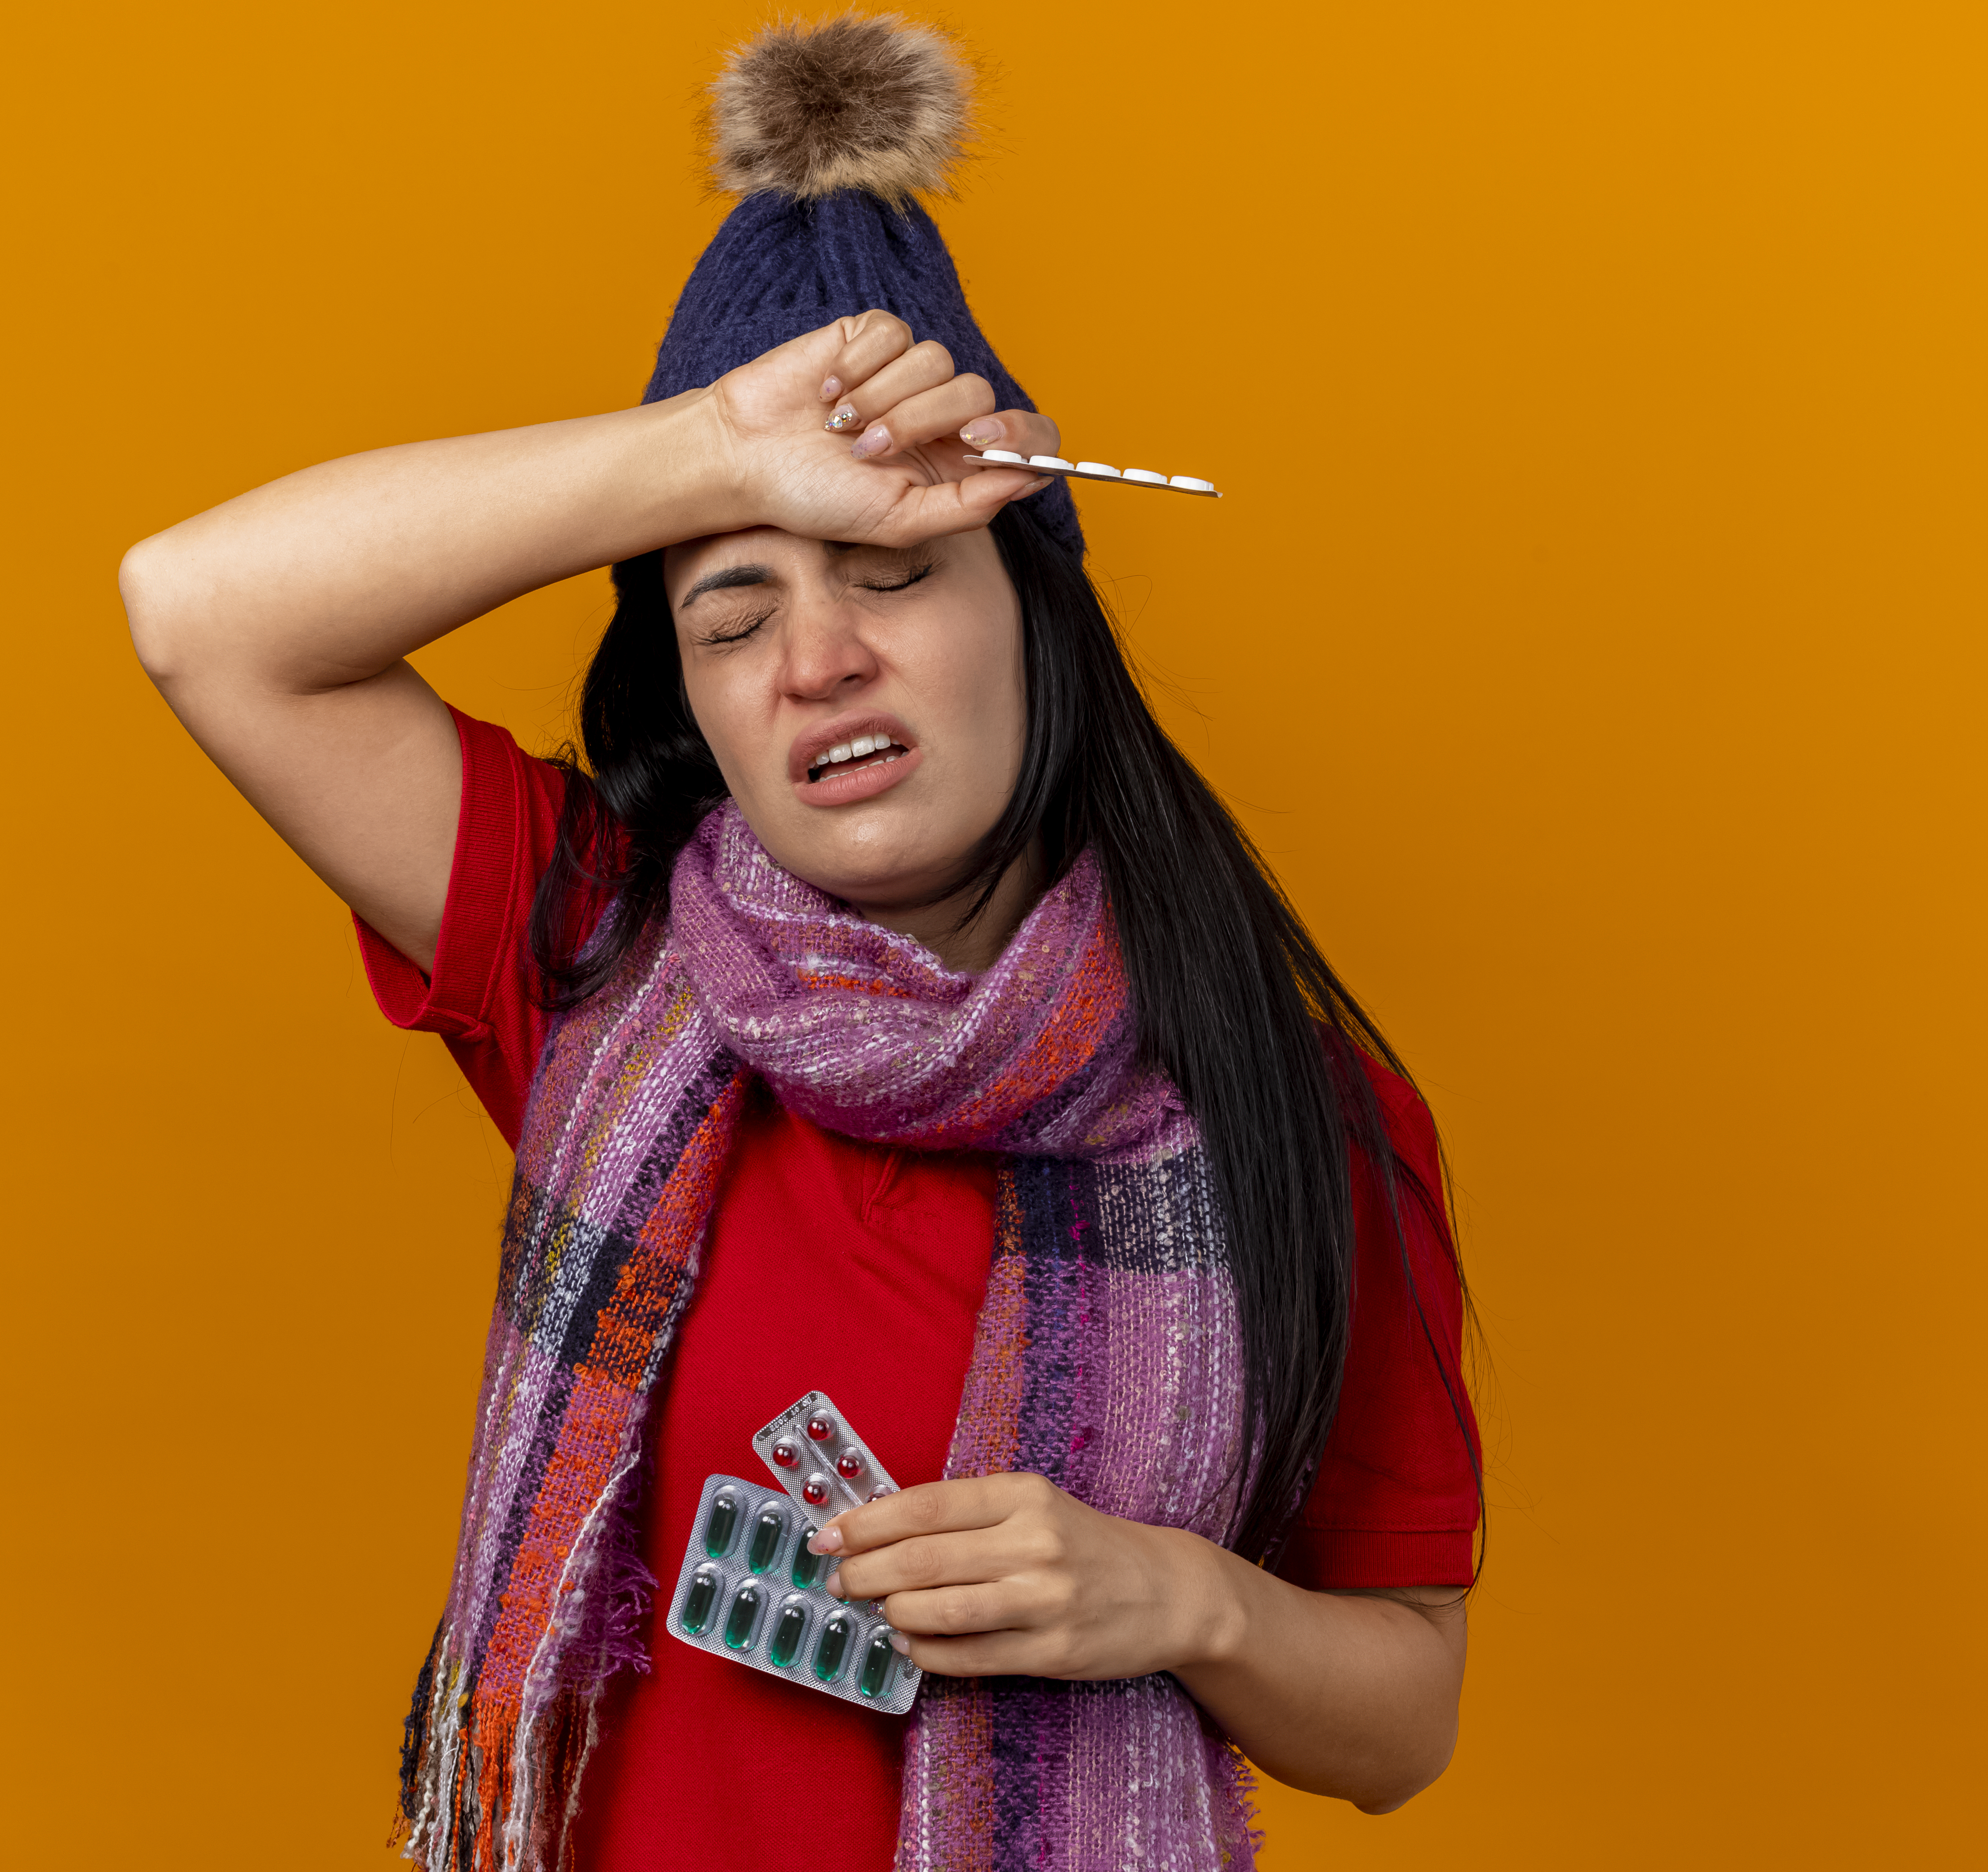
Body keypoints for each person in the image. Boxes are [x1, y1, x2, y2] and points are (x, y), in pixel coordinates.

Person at [120, 16, 1479, 1872]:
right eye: (731, 609)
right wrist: (710, 454)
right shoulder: (592, 958)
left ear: (1037, 616)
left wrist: (1178, 1599)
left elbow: (1401, 1716)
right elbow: (201, 611)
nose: (815, 659)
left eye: (895, 575)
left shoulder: (1292, 1108)